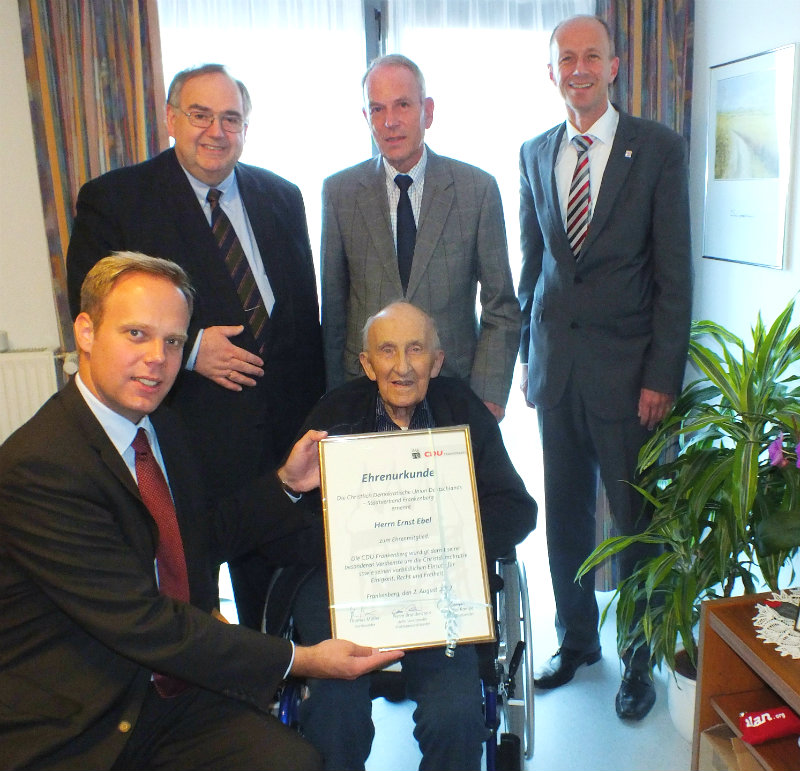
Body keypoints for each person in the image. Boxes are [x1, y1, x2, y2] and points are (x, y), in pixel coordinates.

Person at [0, 253, 401, 771]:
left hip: (168, 695)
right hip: (78, 722)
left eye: (173, 341)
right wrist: (301, 660)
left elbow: (200, 538)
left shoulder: (162, 426)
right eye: (136, 334)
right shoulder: (41, 468)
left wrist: (286, 484)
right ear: (86, 331)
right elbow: (146, 623)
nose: (157, 359)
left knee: (297, 761)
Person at [66, 64, 325, 629]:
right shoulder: (115, 200)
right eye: (200, 115)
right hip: (183, 445)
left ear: (245, 127)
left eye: (231, 118)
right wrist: (189, 350)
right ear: (170, 119)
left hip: (279, 446)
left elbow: (304, 323)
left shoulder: (282, 196)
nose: (216, 131)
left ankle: (279, 701)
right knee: (190, 614)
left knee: (280, 611)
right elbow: (93, 320)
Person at [518, 14, 692, 721]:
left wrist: (662, 373)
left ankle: (640, 657)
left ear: (614, 66)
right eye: (567, 58)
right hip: (557, 373)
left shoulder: (656, 148)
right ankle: (578, 641)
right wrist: (531, 360)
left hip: (630, 379)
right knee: (562, 518)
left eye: (592, 56)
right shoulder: (533, 151)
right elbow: (532, 266)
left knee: (636, 524)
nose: (579, 68)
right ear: (551, 72)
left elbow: (674, 276)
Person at [280, 301, 537, 770]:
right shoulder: (332, 415)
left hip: (437, 588)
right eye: (387, 351)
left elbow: (518, 509)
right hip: (350, 594)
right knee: (335, 715)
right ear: (365, 363)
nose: (402, 367)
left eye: (416, 350)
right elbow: (289, 525)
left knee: (456, 716)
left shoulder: (463, 411)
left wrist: (448, 536)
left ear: (436, 362)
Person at [321, 54, 520, 422]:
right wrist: (335, 403)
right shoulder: (340, 192)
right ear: (366, 118)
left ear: (427, 112)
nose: (390, 121)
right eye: (377, 109)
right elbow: (334, 312)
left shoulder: (476, 190)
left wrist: (488, 396)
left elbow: (501, 307)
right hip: (365, 395)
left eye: (403, 105)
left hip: (454, 391)